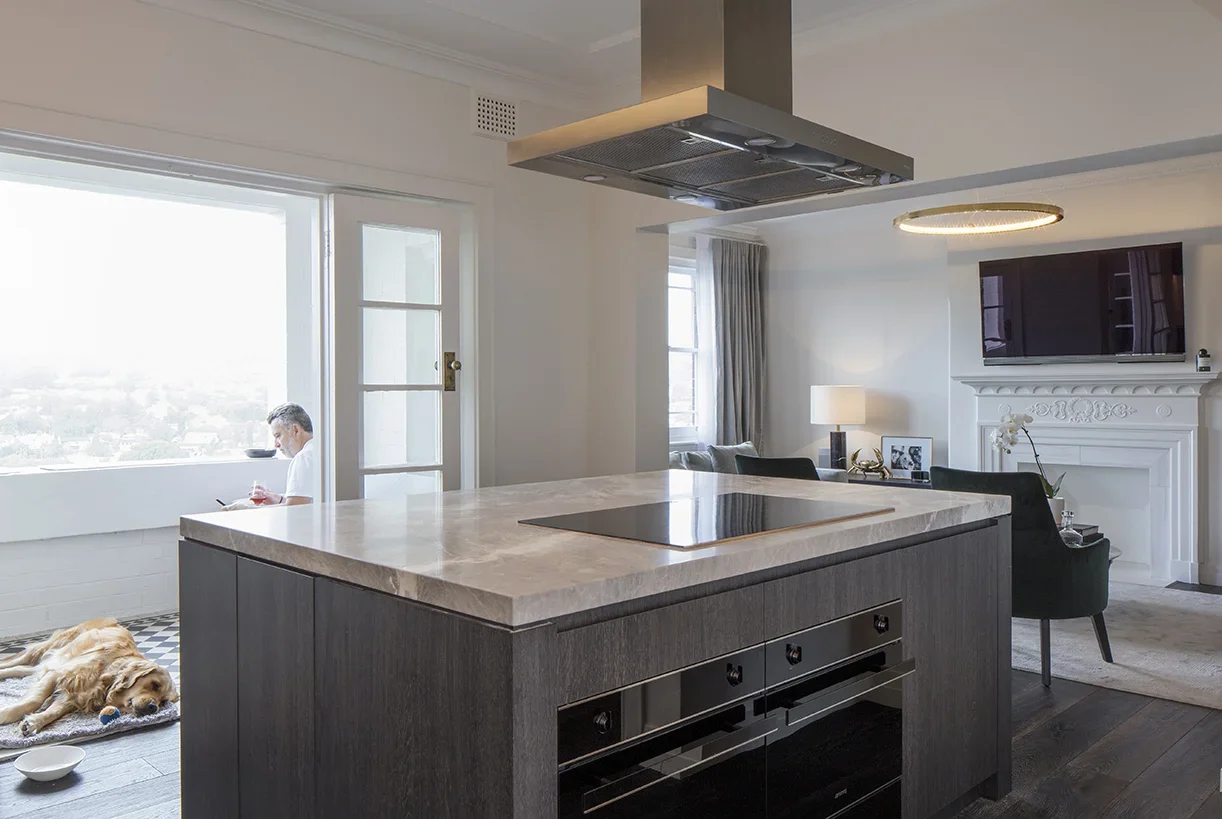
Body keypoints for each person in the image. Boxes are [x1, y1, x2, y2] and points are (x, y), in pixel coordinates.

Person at [224, 403, 316, 509]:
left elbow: (295, 511)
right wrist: (280, 500)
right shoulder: (322, 450)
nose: (276, 444)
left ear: (295, 430)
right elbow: (307, 504)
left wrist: (246, 509)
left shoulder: (303, 458)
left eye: (278, 436)